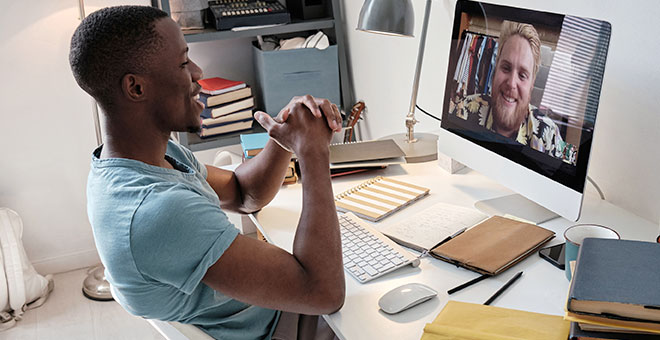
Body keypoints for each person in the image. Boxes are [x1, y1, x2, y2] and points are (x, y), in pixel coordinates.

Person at [69, 5, 345, 340]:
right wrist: (314, 153)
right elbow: (323, 293)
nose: (198, 72)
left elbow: (244, 193)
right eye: (184, 63)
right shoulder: (156, 210)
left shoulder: (142, 157)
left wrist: (284, 137)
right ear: (136, 88)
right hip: (290, 326)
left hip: (286, 308)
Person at [449, 21, 571, 161]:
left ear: (532, 85)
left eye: (522, 75)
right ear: (494, 71)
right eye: (506, 68)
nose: (511, 83)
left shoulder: (551, 139)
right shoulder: (463, 110)